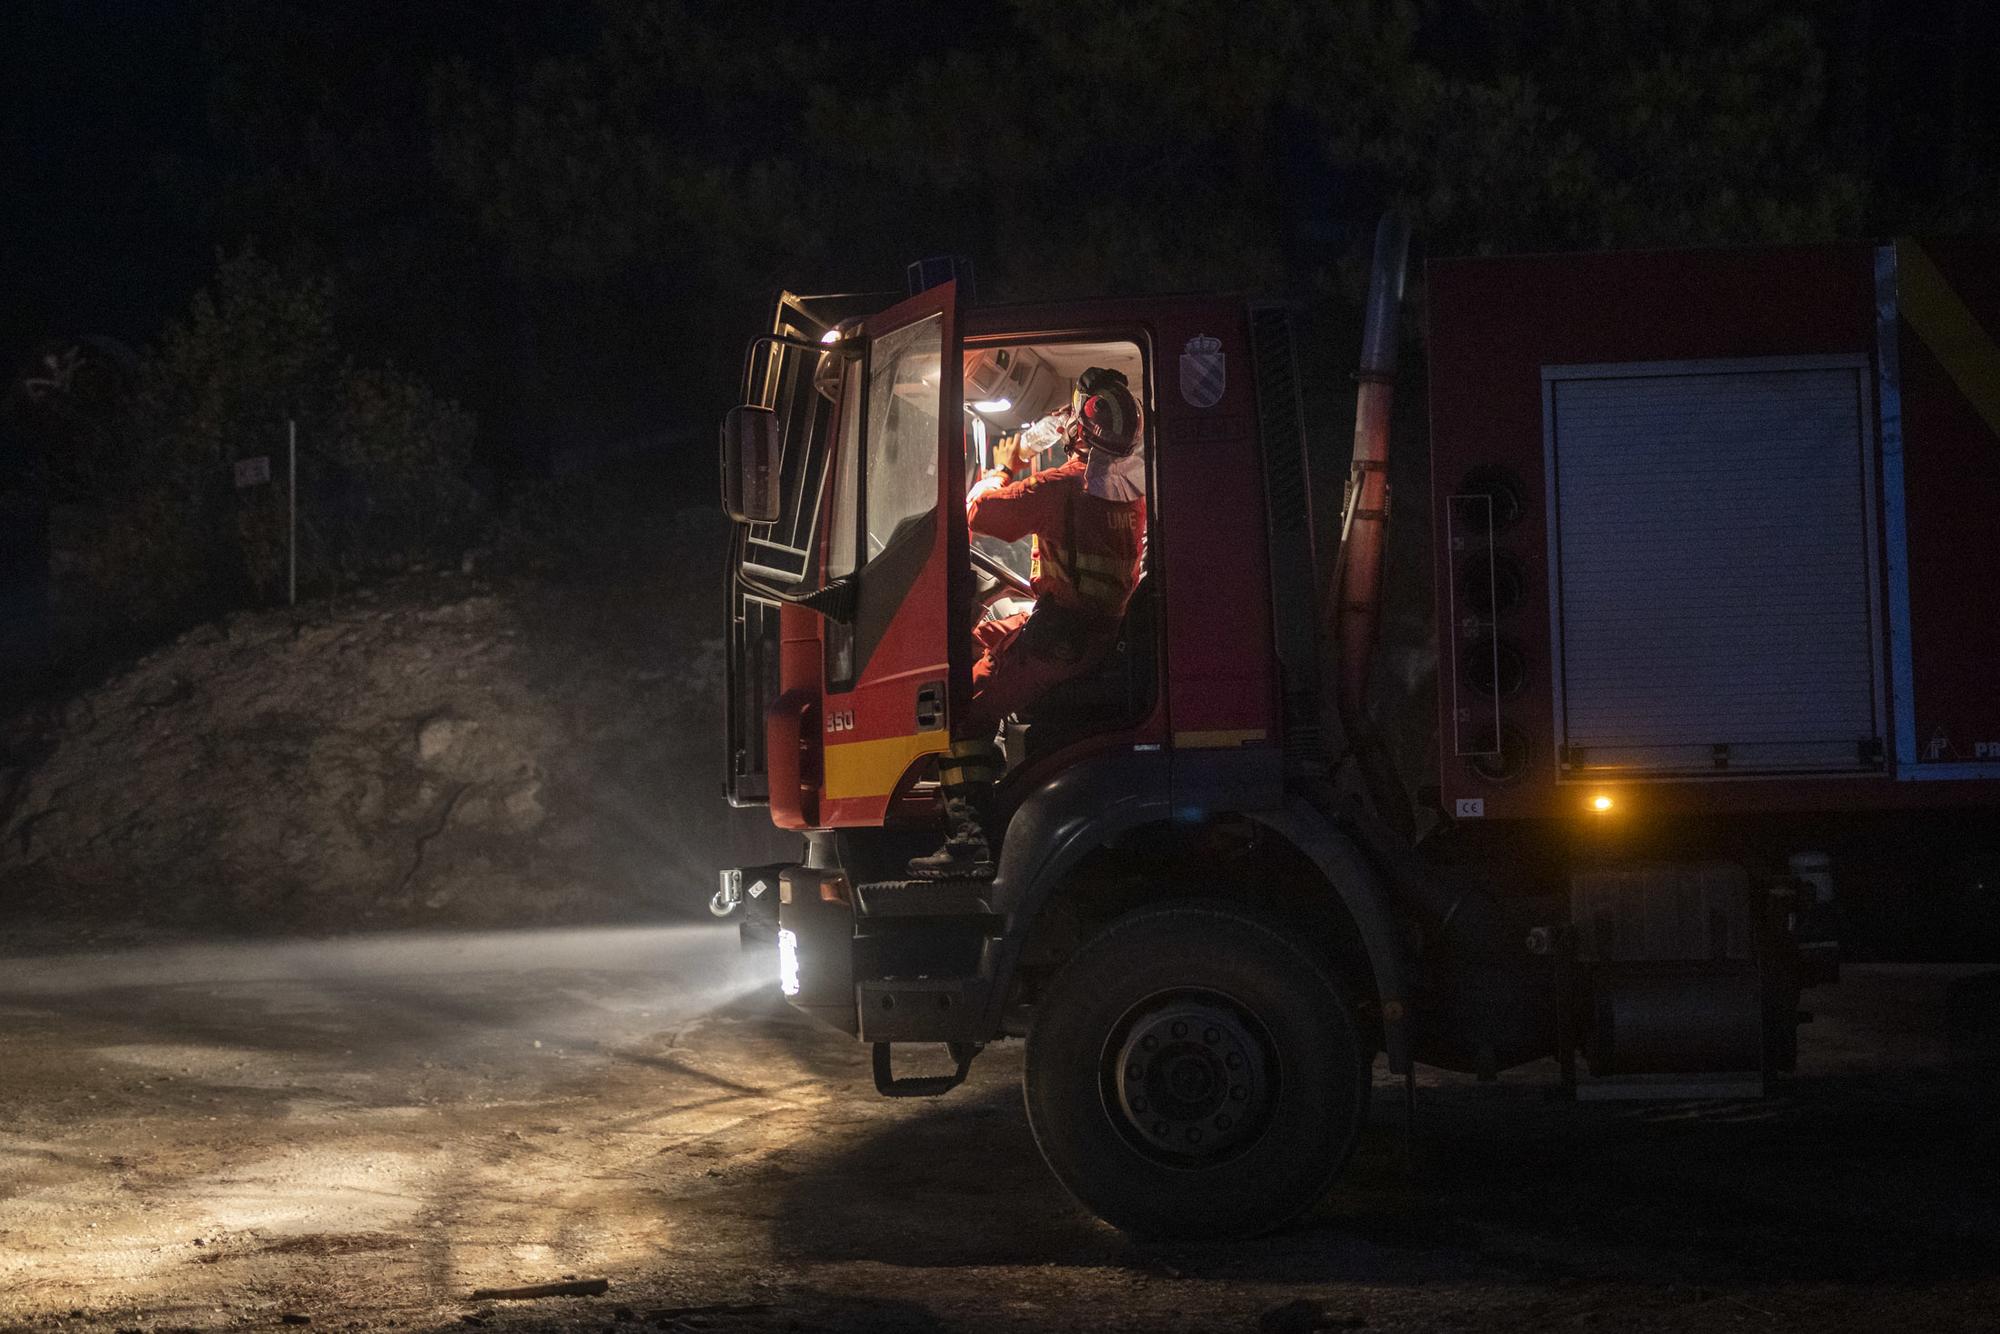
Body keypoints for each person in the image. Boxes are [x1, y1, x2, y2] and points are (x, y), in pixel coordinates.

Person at [909, 367, 1146, 880]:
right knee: (975, 640)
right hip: (1088, 631)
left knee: (960, 706)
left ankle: (970, 838)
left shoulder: (1061, 487)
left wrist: (1004, 467)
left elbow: (973, 512)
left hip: (1061, 641)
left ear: (1083, 425)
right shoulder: (1128, 491)